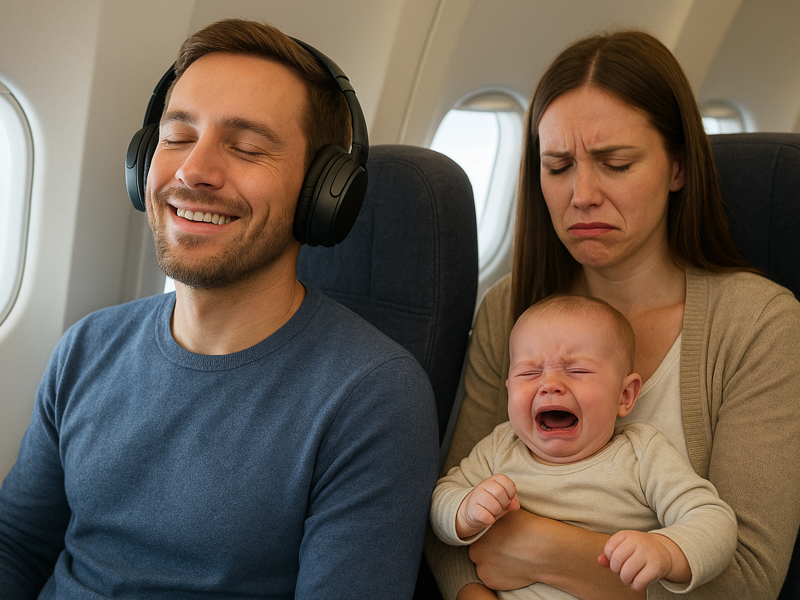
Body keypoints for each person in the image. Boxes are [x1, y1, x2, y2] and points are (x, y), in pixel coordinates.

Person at [0, 18, 439, 599]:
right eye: (177, 137)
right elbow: (17, 545)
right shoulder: (87, 348)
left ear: (322, 193)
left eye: (248, 147)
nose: (193, 171)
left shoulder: (373, 397)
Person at [425, 29, 800, 600]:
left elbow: (746, 581)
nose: (582, 194)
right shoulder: (510, 307)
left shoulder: (760, 324)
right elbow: (450, 523)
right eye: (557, 166)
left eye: (616, 163)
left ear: (677, 168)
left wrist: (530, 545)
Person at [430, 295, 737, 599]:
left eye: (577, 371)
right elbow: (440, 499)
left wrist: (668, 551)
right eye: (529, 373)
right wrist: (463, 511)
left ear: (625, 395)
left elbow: (713, 520)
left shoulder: (642, 455)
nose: (549, 384)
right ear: (510, 392)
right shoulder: (499, 448)